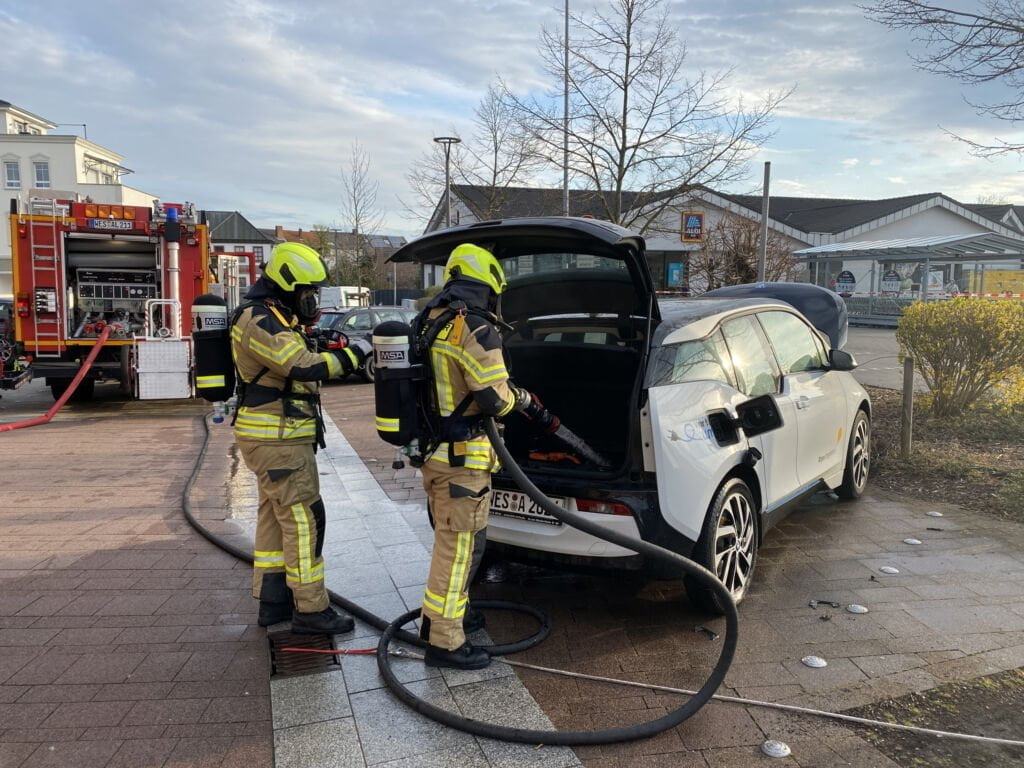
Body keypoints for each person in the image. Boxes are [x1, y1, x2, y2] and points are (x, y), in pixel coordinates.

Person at [415, 243, 558, 669]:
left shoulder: (431, 322)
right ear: (488, 287)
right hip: (463, 461)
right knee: (456, 551)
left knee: (464, 545)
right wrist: (524, 400)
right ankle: (444, 642)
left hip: (436, 454)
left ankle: (452, 617)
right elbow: (495, 400)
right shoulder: (474, 329)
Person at [231, 242, 370, 634]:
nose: (311, 300)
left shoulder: (275, 315)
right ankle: (311, 610)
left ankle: (274, 602)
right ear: (288, 284)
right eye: (307, 292)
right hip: (276, 437)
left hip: (279, 435)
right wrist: (354, 356)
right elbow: (302, 367)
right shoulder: (259, 319)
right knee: (305, 518)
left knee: (276, 520)